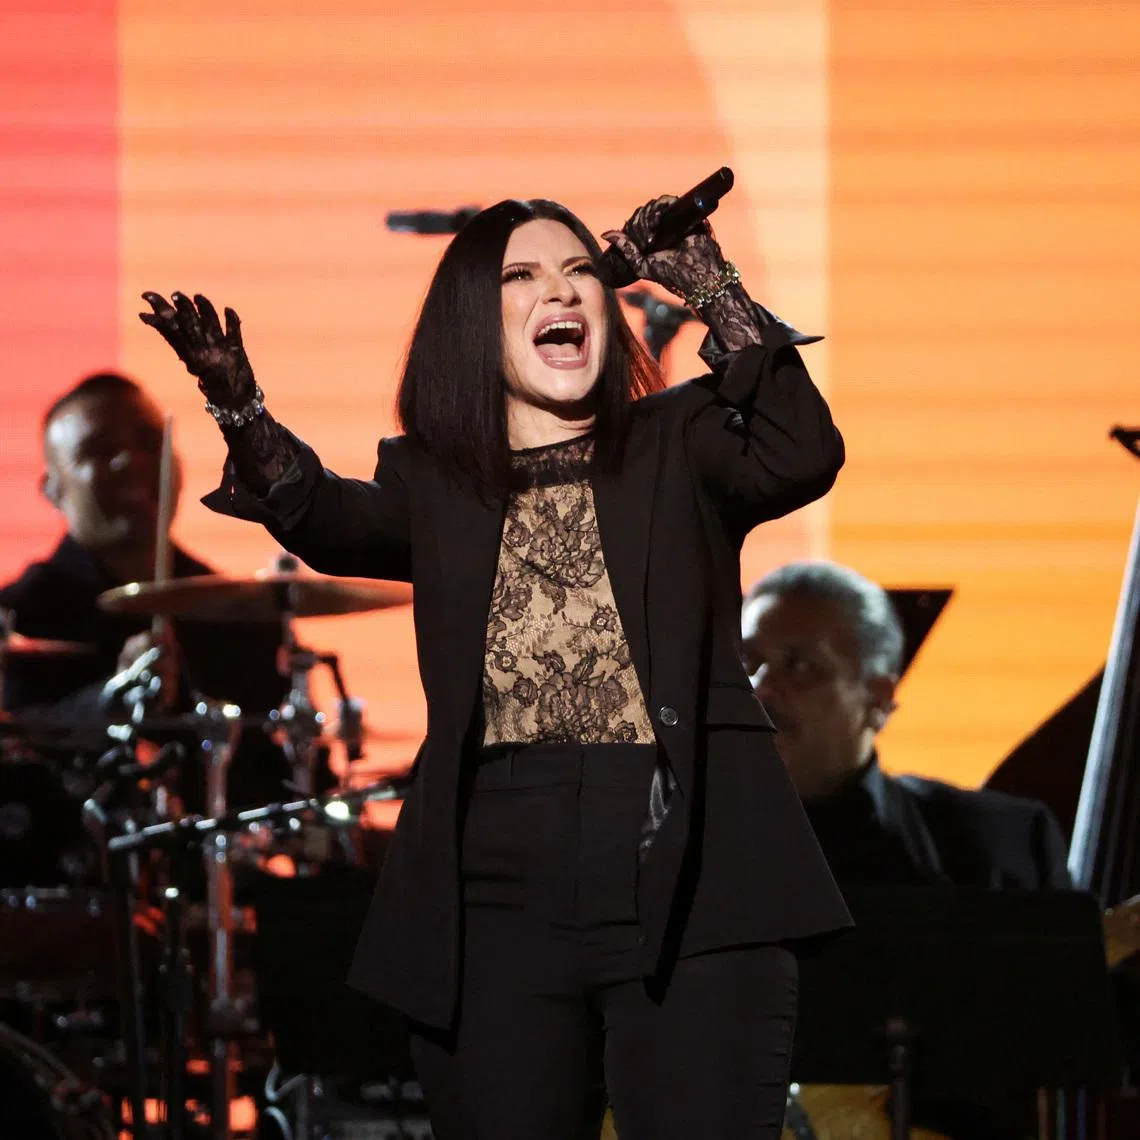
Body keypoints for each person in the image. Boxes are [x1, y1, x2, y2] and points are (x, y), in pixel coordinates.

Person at [139, 190, 851, 1140]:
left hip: (690, 871)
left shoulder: (675, 442)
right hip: (493, 893)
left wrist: (706, 279)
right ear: (475, 323)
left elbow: (801, 454)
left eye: (579, 274)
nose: (559, 292)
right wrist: (239, 403)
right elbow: (322, 515)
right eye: (521, 276)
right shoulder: (436, 482)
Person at [0, 372, 289, 814]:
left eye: (148, 441)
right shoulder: (18, 618)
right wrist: (115, 697)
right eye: (97, 450)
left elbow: (286, 781)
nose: (129, 461)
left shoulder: (239, 613)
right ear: (52, 490)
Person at [740, 560, 1071, 890]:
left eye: (800, 666)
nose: (760, 687)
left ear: (879, 699)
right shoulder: (689, 841)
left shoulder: (1003, 845)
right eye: (746, 662)